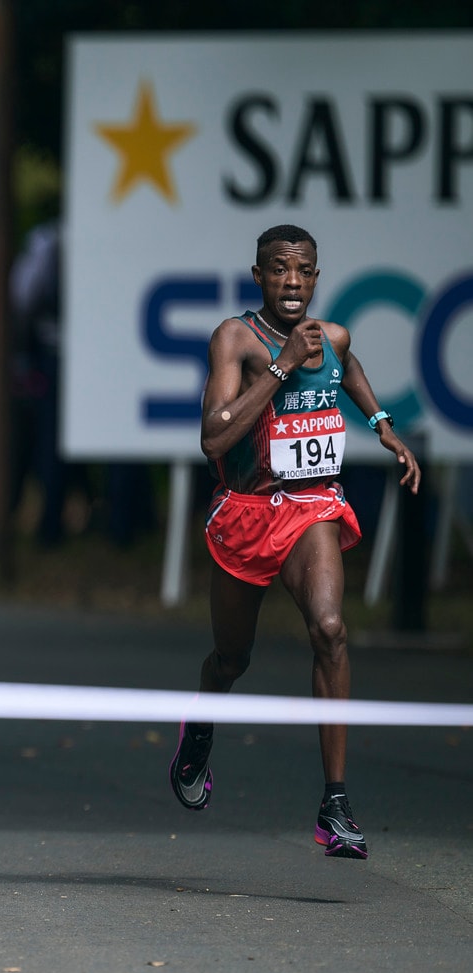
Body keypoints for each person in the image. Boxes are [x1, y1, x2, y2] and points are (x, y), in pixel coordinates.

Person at [171, 224, 420, 859]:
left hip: (313, 506)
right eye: (278, 269)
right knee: (233, 659)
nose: (291, 280)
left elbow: (348, 364)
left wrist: (383, 425)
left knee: (331, 628)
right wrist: (281, 368)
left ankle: (334, 804)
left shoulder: (329, 336)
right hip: (248, 511)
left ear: (315, 277)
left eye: (303, 270)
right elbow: (214, 439)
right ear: (258, 276)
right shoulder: (235, 338)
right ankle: (200, 725)